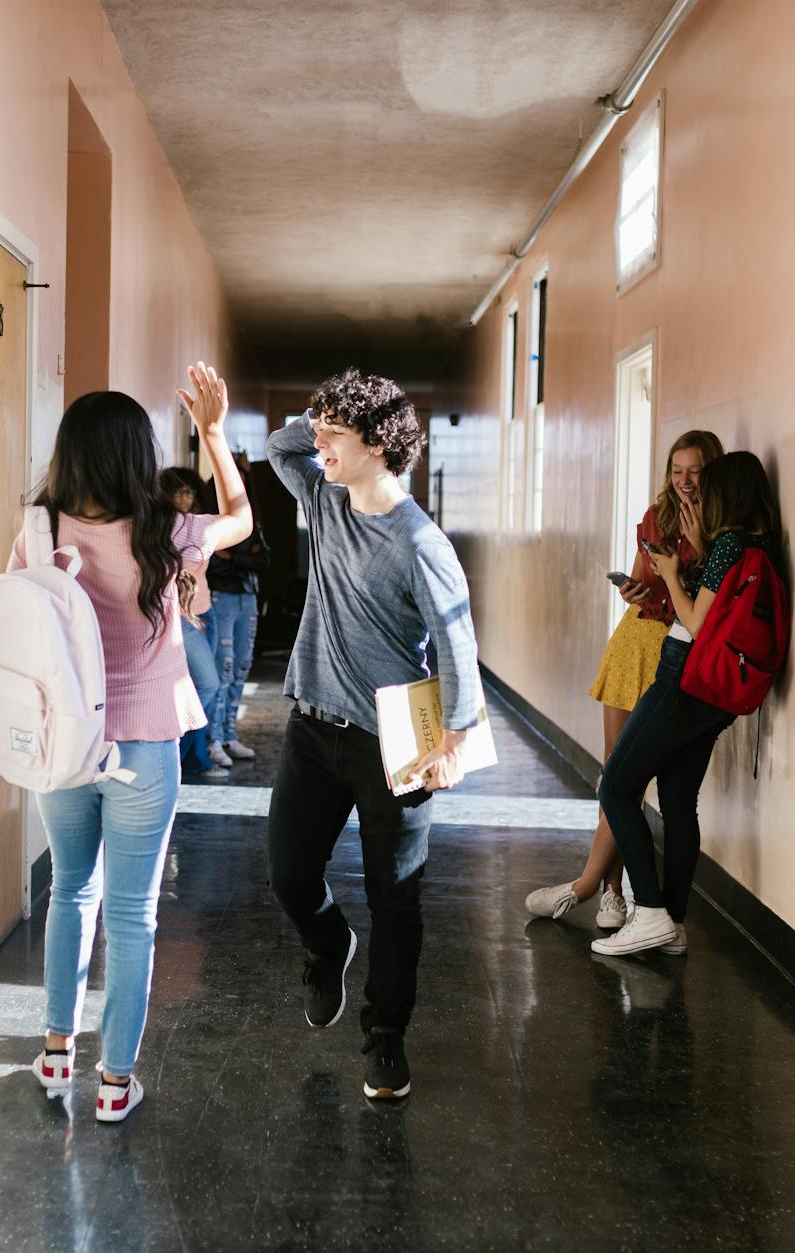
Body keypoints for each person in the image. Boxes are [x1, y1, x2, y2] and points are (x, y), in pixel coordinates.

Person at [24, 365, 251, 1123]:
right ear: (137, 455)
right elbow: (241, 517)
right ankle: (115, 1082)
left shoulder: (39, 530)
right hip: (144, 747)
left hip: (65, 743)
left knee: (69, 889)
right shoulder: (168, 531)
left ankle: (57, 1050)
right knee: (131, 914)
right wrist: (212, 433)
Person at [265, 368, 483, 1102]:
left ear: (380, 444)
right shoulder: (323, 500)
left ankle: (385, 1037)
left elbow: (456, 645)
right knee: (289, 873)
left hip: (394, 744)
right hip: (311, 727)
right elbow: (281, 447)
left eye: (336, 433)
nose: (320, 442)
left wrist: (454, 739)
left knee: (396, 898)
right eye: (321, 429)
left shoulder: (421, 543)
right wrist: (325, 413)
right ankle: (329, 944)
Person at [523, 431, 723, 927]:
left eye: (695, 471)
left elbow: (705, 605)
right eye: (677, 470)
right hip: (635, 641)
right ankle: (612, 895)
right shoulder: (658, 516)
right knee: (615, 774)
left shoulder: (721, 527)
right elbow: (644, 581)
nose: (684, 481)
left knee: (642, 779)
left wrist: (695, 549)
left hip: (676, 653)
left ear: (712, 472)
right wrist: (633, 591)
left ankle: (592, 886)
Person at [591, 450, 783, 958]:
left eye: (709, 486)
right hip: (718, 695)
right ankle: (673, 925)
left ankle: (650, 911)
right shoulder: (761, 544)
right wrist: (699, 548)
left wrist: (673, 571)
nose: (700, 493)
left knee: (616, 786)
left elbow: (696, 622)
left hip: (684, 679)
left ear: (729, 494)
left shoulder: (730, 544)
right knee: (678, 803)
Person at [158, 467, 228, 780]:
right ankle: (179, 750)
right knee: (208, 684)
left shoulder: (198, 525)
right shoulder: (160, 528)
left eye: (190, 491)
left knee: (203, 685)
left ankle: (194, 757)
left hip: (206, 611)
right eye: (179, 491)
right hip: (181, 617)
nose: (186, 497)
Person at [206, 451, 268, 761]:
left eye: (241, 480)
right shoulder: (207, 516)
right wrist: (244, 558)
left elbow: (264, 559)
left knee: (242, 666)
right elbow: (213, 563)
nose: (235, 486)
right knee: (223, 669)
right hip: (221, 598)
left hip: (247, 598)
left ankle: (230, 735)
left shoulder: (252, 517)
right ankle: (213, 739)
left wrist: (233, 557)